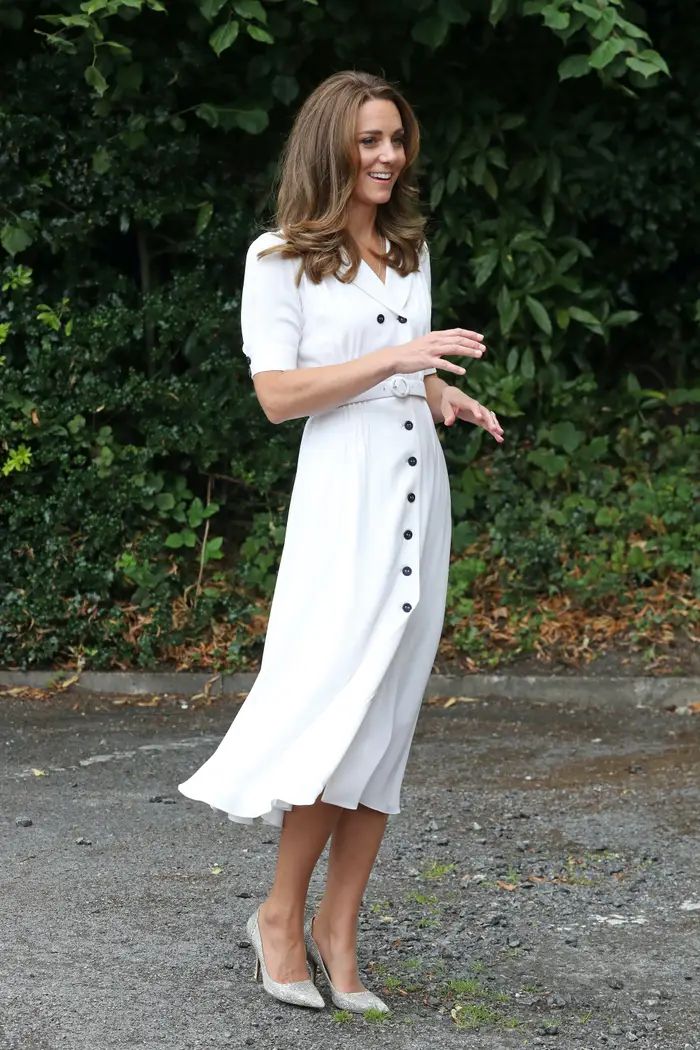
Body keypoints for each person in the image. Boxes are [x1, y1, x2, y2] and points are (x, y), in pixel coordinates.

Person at [178, 69, 504, 1013]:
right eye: (369, 140)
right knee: (339, 712)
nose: (389, 156)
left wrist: (440, 391)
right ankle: (281, 916)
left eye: (396, 139)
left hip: (415, 494)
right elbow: (279, 397)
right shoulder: (279, 258)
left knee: (389, 720)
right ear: (331, 146)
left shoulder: (408, 248)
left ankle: (339, 929)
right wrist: (398, 360)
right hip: (344, 494)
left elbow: (408, 363)